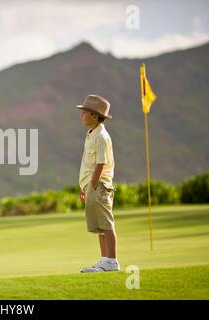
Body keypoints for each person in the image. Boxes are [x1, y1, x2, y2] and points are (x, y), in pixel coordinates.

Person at [76, 95, 120, 273]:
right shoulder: (92, 133)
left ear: (94, 116)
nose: (81, 115)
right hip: (92, 186)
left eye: (84, 112)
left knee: (107, 225)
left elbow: (100, 164)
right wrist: (86, 188)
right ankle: (105, 260)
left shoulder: (101, 136)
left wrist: (93, 186)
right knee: (100, 227)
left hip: (99, 185)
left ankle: (112, 261)